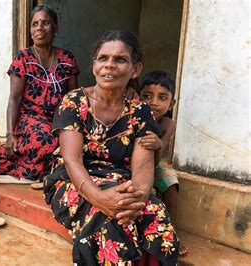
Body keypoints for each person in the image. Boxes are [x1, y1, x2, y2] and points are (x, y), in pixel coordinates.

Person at [44, 31, 179, 265]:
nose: (109, 65)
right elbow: (72, 160)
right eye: (103, 58)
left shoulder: (140, 112)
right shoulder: (74, 102)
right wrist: (99, 198)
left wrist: (136, 201)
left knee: (155, 212)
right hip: (74, 180)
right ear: (94, 65)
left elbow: (144, 167)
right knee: (106, 219)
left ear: (135, 69)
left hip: (124, 184)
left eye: (120, 60)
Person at [0, 4, 80, 183]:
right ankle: (29, 171)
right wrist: (10, 134)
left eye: (45, 23)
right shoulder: (23, 58)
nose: (39, 28)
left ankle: (34, 171)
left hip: (59, 120)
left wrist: (73, 126)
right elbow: (14, 99)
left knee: (74, 144)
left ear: (55, 28)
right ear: (30, 30)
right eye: (35, 24)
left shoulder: (67, 59)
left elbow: (74, 98)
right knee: (47, 141)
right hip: (30, 119)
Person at [138, 70, 187, 256]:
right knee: (144, 191)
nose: (154, 102)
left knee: (171, 183)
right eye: (147, 96)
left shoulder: (167, 125)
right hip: (130, 167)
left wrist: (158, 146)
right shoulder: (136, 116)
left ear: (171, 103)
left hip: (154, 163)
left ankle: (171, 231)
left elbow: (157, 160)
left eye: (162, 97)